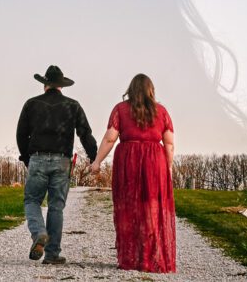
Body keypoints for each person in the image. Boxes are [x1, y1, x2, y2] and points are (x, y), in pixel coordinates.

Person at [91, 73, 176, 272]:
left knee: (128, 207)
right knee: (151, 208)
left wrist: (97, 161)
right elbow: (169, 143)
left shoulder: (120, 109)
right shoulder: (161, 111)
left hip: (128, 160)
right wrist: (168, 167)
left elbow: (110, 139)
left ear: (131, 89)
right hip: (155, 162)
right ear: (150, 90)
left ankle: (130, 258)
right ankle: (150, 258)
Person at [16, 65, 98, 264]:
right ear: (62, 86)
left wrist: (27, 158)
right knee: (56, 207)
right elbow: (85, 133)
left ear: (45, 84)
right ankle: (52, 254)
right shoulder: (73, 105)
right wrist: (93, 156)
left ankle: (39, 232)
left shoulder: (31, 104)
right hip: (62, 160)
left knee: (32, 201)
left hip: (37, 157)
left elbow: (21, 134)